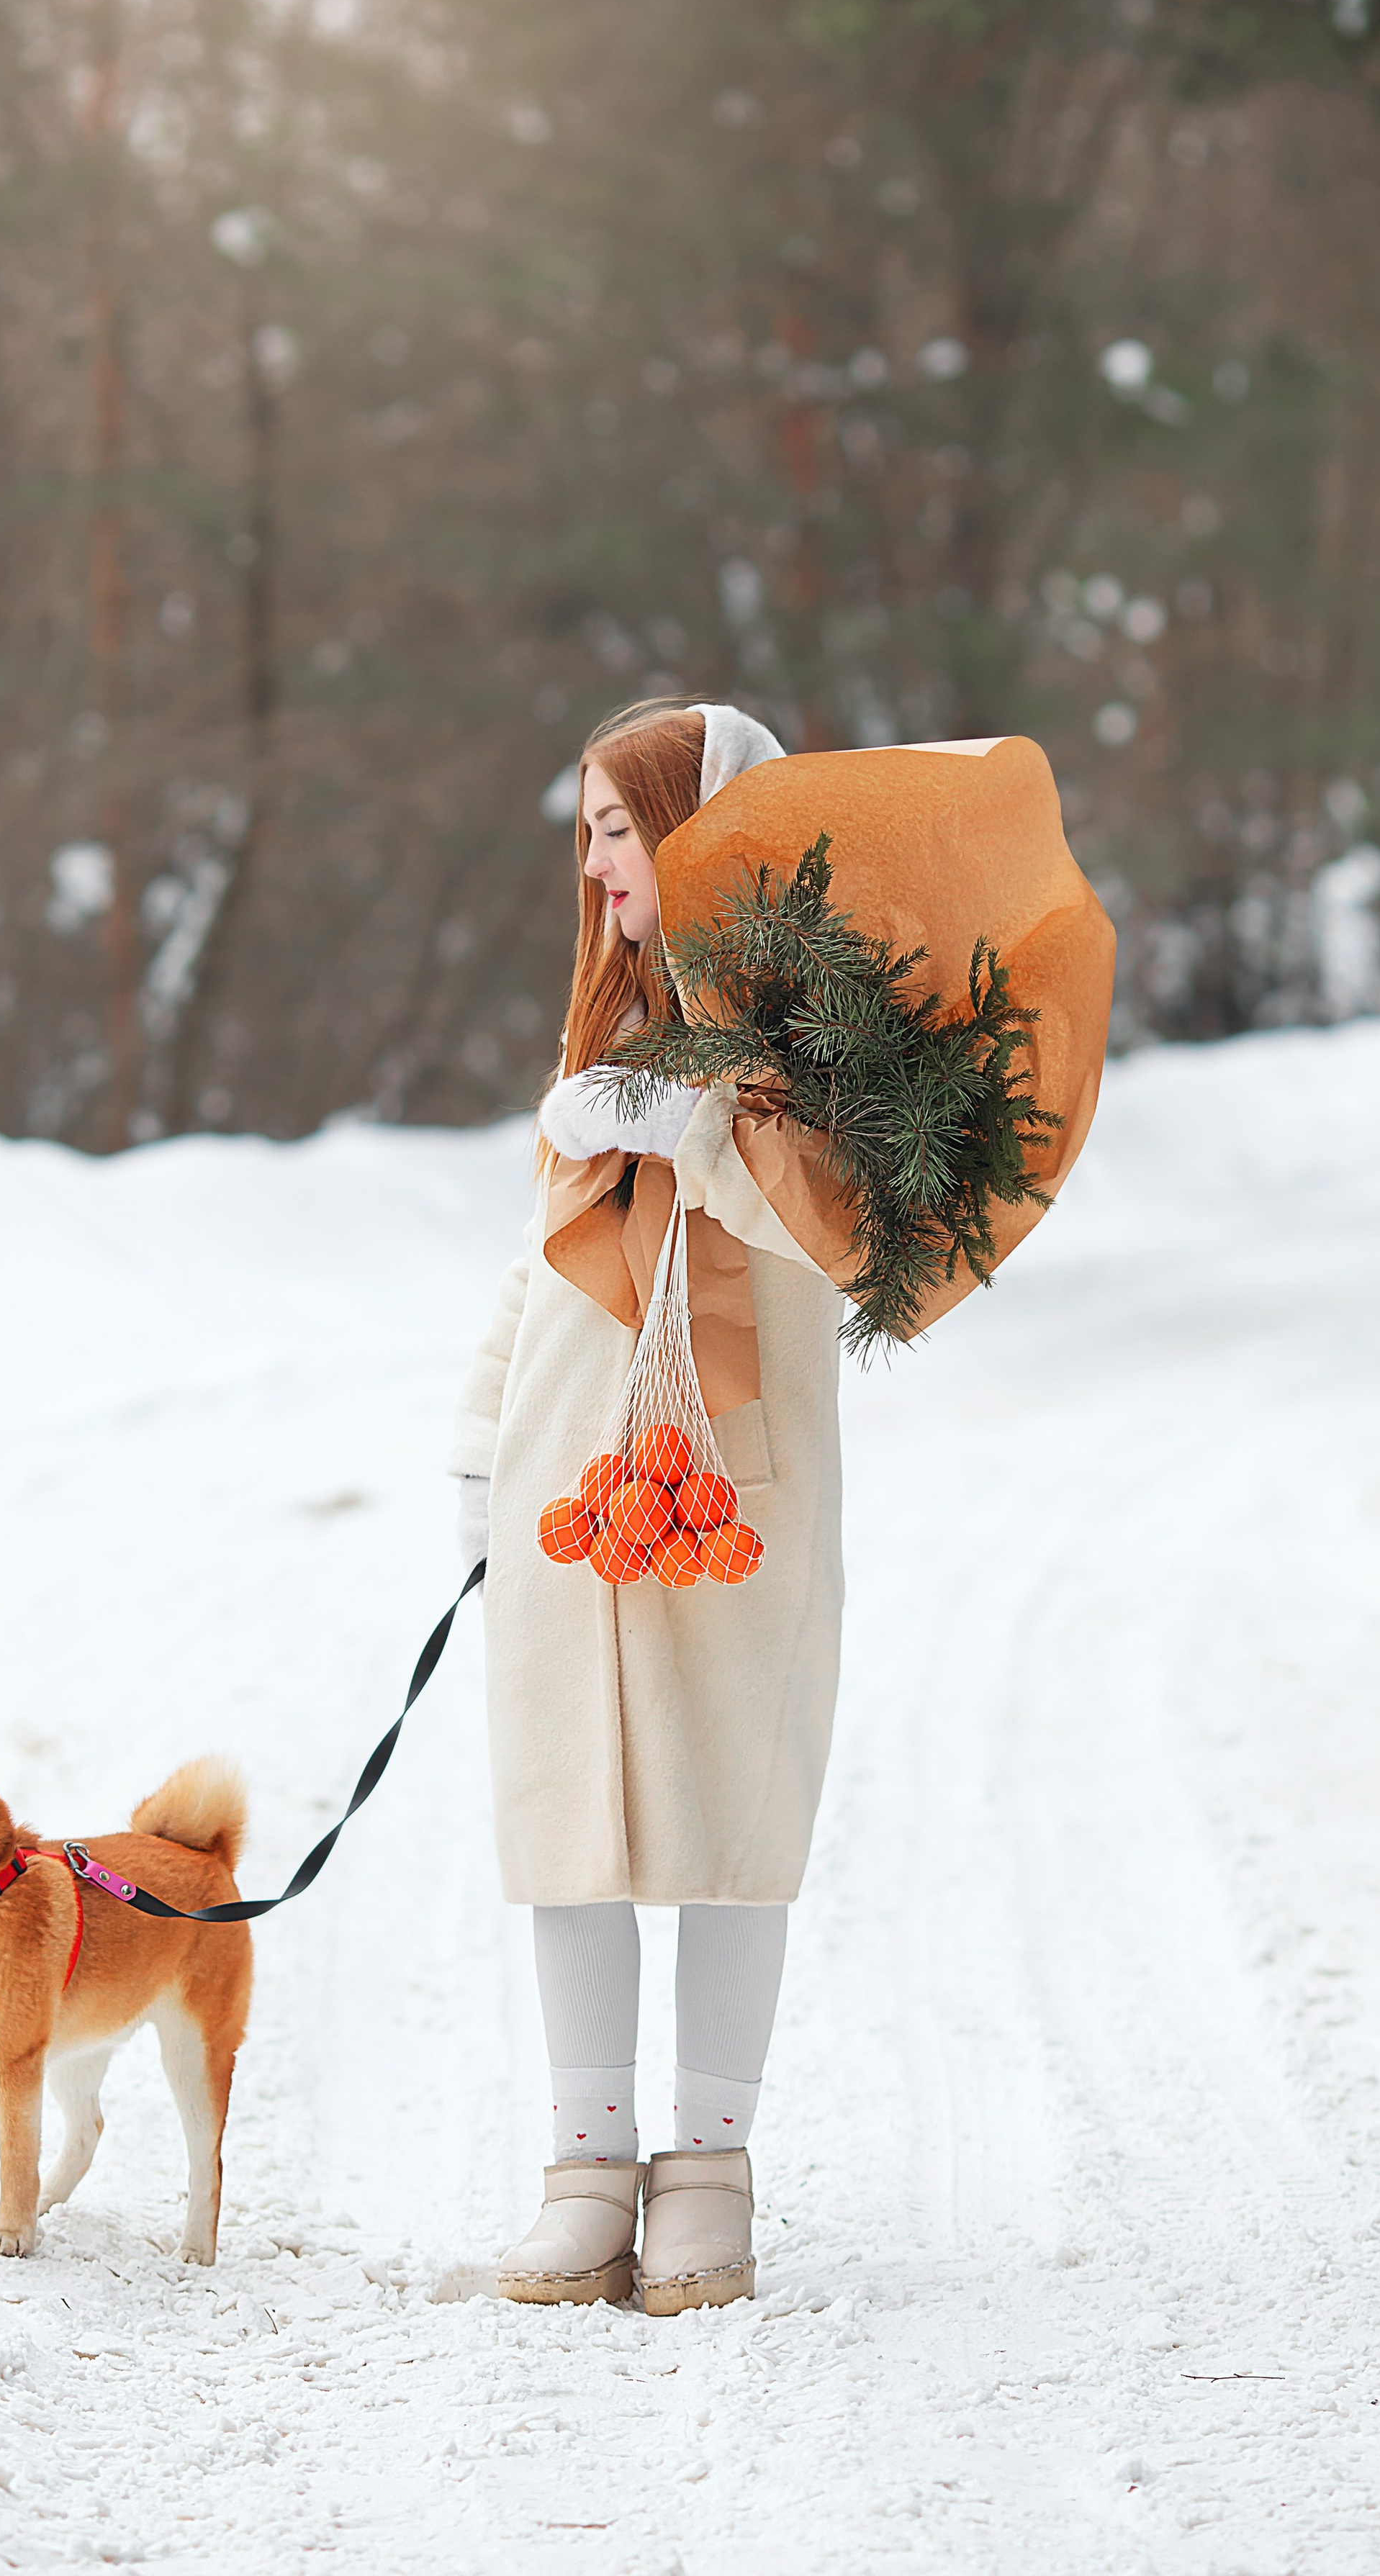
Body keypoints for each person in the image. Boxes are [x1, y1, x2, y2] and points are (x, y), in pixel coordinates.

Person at [450, 697, 845, 2317]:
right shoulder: (602, 1032)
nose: (596, 861)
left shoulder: (813, 1035)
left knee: (727, 1818)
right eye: (590, 832)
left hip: (726, 1483)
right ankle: (586, 2169)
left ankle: (709, 2170)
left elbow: (830, 1228)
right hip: (571, 1478)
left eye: (620, 826)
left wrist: (696, 1126)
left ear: (697, 830)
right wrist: (476, 1453)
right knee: (570, 1816)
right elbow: (536, 1274)